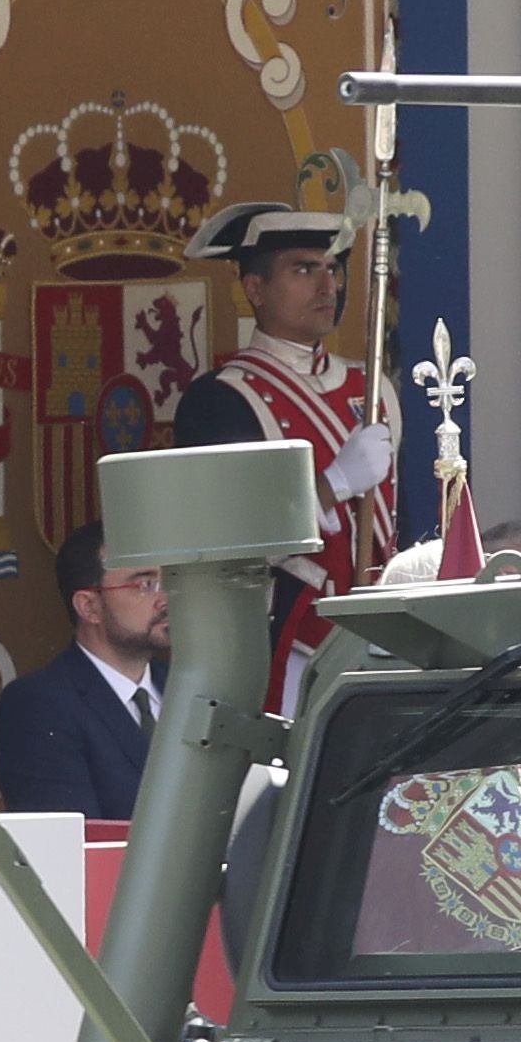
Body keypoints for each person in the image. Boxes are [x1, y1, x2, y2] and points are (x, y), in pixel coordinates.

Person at [165, 199, 396, 699]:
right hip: (288, 645)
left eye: (333, 268)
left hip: (377, 635)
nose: (327, 286)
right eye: (304, 269)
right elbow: (226, 542)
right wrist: (334, 486)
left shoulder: (370, 386)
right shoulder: (223, 399)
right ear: (256, 288)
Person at [0, 520, 166, 819]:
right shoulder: (39, 704)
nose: (166, 599)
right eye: (144, 584)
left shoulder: (191, 687)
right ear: (89, 607)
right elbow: (71, 845)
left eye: (170, 580)